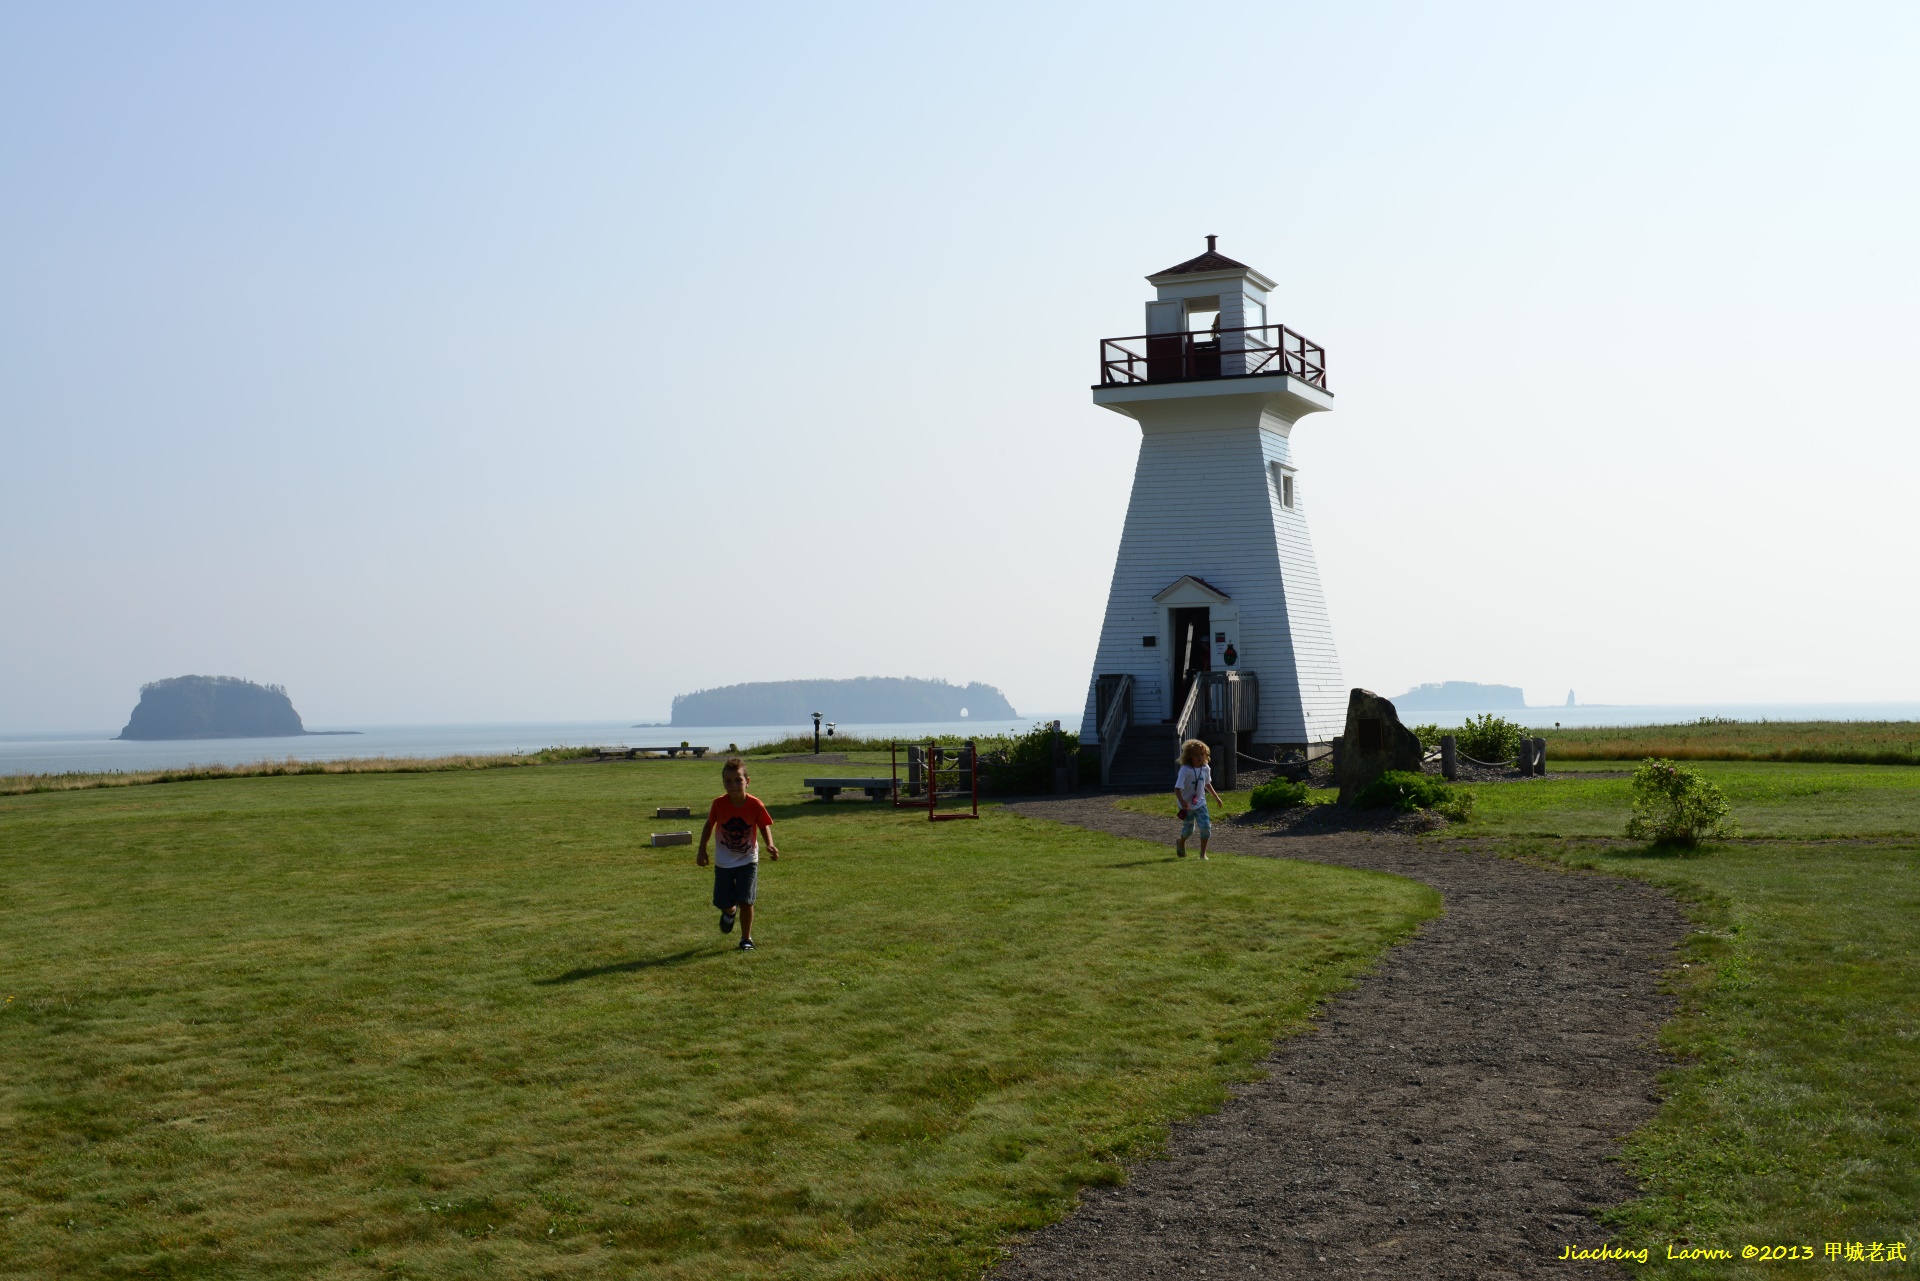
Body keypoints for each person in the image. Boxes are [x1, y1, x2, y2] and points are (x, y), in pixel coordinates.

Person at [697, 757, 779, 951]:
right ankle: (729, 911)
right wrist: (701, 849)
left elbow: (763, 825)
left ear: (747, 781)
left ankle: (746, 939)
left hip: (748, 859)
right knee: (722, 901)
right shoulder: (718, 804)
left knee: (746, 900)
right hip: (724, 862)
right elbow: (709, 825)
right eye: (728, 781)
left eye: (738, 780)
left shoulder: (755, 805)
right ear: (723, 783)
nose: (733, 785)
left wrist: (770, 845)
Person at [1173, 738, 1224, 859]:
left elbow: (1207, 783)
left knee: (1205, 827)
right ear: (1190, 756)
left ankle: (1202, 854)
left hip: (1200, 803)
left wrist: (1216, 797)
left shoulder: (1205, 769)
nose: (1200, 757)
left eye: (1202, 754)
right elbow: (1177, 788)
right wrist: (1182, 802)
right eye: (1196, 754)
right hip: (1187, 805)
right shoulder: (1185, 770)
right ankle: (1181, 841)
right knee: (1189, 830)